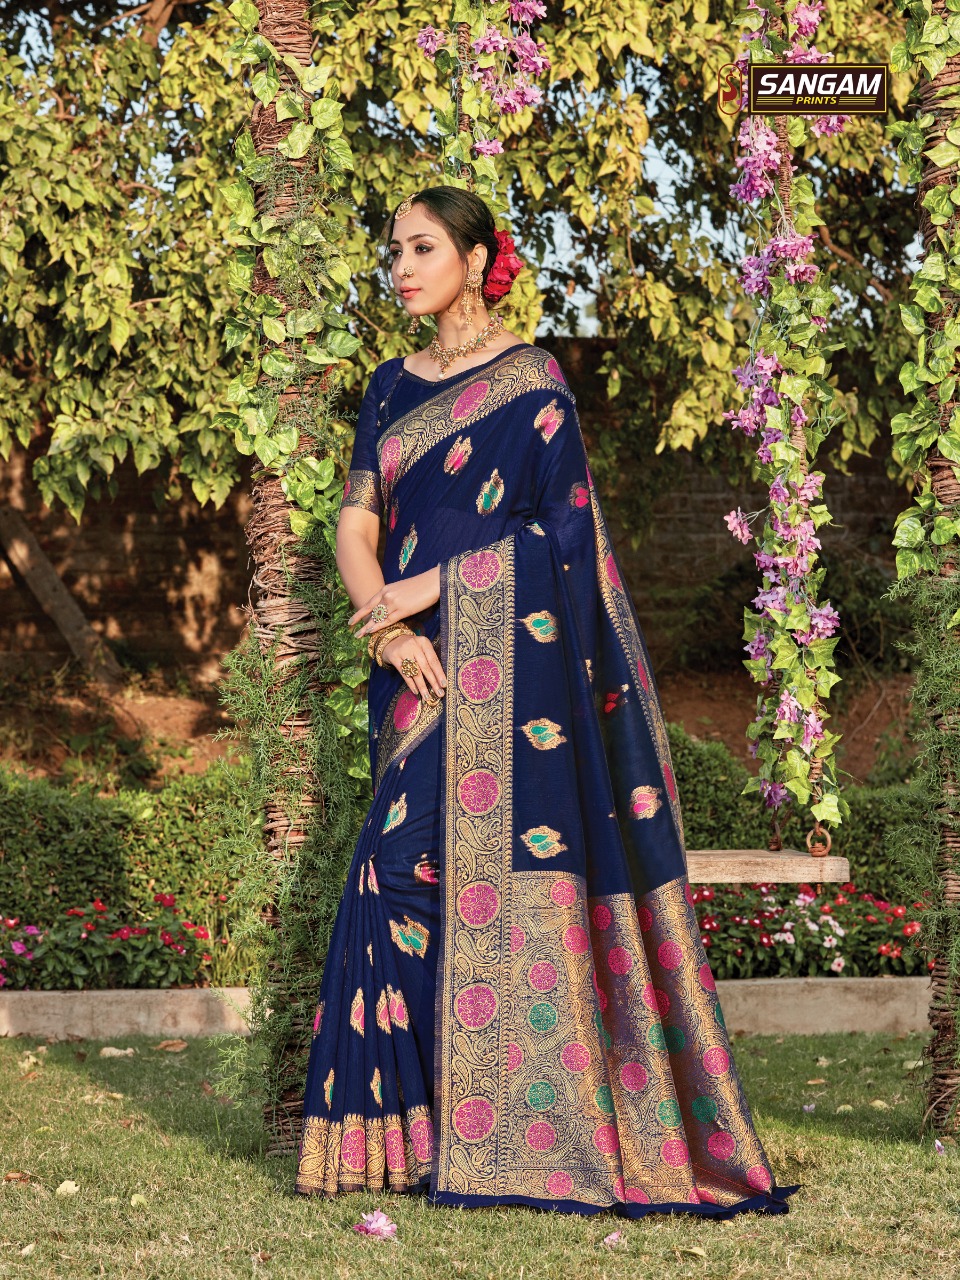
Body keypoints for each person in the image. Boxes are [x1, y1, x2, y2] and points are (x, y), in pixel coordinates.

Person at [294, 185, 800, 1219]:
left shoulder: (533, 383)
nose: (401, 268)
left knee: (477, 877)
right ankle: (417, 1135)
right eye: (394, 251)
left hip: (513, 668)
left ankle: (521, 1123)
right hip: (412, 669)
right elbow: (355, 525)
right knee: (391, 871)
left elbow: (565, 535)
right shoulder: (388, 388)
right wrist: (386, 628)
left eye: (421, 248)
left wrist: (433, 587)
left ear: (478, 259)